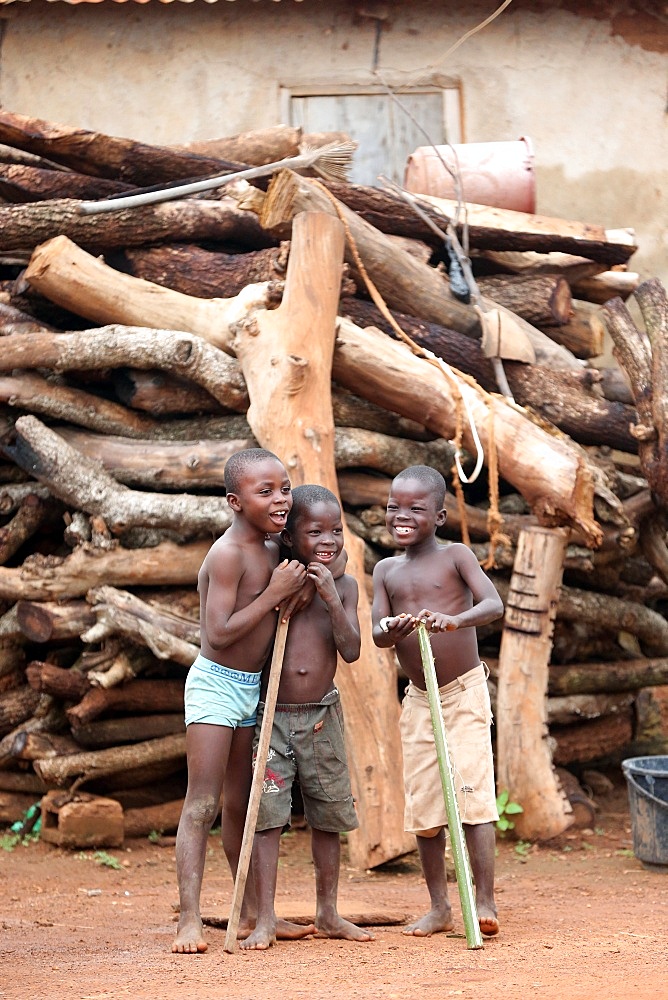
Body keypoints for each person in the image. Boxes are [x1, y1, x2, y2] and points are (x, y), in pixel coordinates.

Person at [172, 447, 310, 954]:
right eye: (265, 491)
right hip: (215, 684)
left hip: (253, 689)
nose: (280, 499)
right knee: (202, 803)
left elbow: (327, 550)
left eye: (284, 488)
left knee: (241, 804)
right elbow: (220, 632)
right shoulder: (228, 553)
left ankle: (253, 913)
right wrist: (274, 594)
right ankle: (188, 919)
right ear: (235, 501)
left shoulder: (276, 548)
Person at [371, 465, 504, 939]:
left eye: (415, 508)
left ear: (440, 516)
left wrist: (452, 620)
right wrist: (395, 628)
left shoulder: (457, 557)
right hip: (420, 699)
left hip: (464, 693)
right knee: (425, 804)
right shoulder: (386, 570)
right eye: (393, 507)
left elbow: (493, 605)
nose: (401, 515)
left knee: (473, 795)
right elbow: (377, 633)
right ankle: (439, 906)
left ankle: (483, 899)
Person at [241, 485, 373, 950]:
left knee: (328, 814)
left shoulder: (346, 586)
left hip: (321, 716)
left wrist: (332, 598)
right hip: (272, 713)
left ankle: (329, 912)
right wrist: (291, 587)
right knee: (269, 817)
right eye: (314, 530)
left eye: (336, 530)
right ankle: (265, 918)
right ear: (291, 537)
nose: (328, 539)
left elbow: (353, 650)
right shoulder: (277, 576)